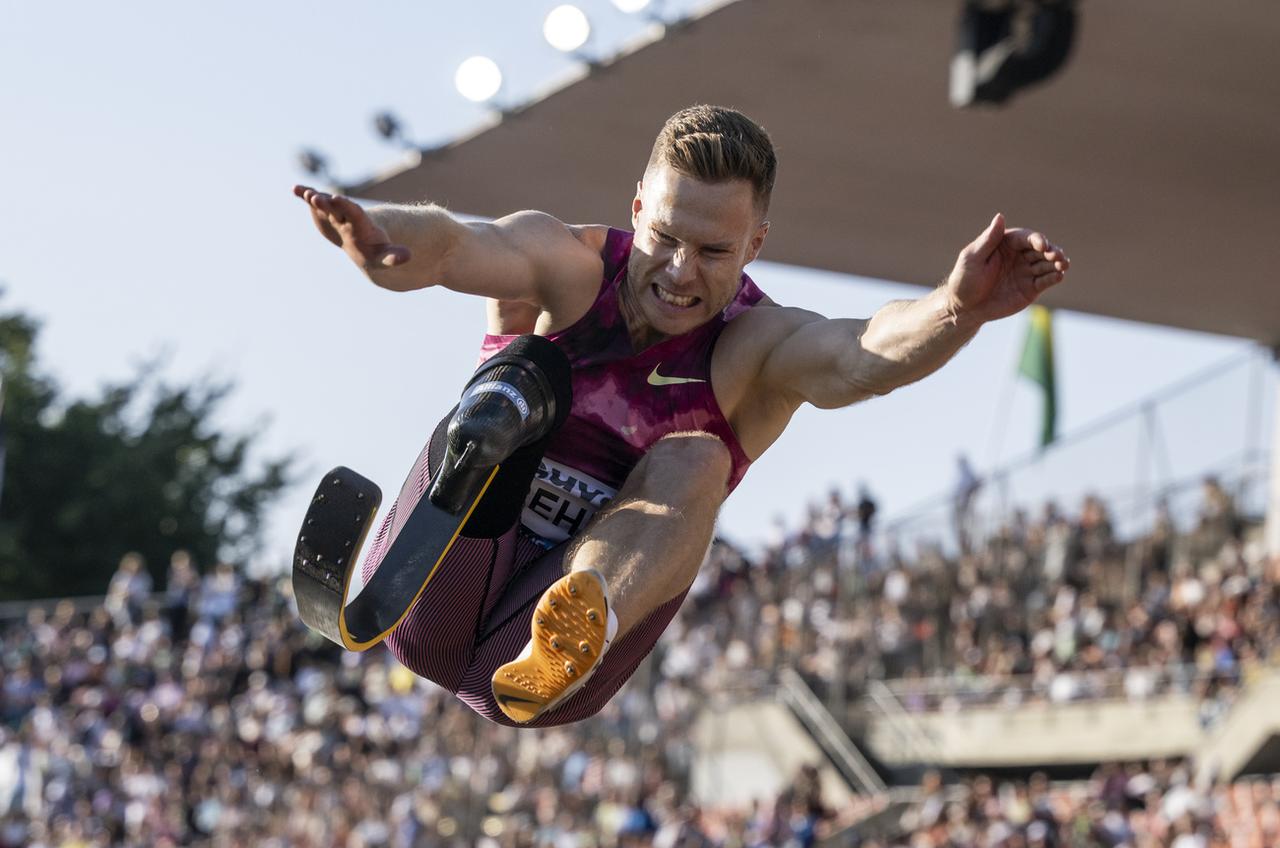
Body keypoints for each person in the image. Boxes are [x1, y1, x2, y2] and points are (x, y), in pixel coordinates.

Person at [294, 105, 1069, 727]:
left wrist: (956, 309)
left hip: (532, 673)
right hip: (435, 596)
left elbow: (859, 355)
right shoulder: (569, 267)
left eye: (712, 251)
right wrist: (381, 235)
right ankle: (480, 454)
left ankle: (579, 622)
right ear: (638, 209)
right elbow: (460, 245)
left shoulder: (755, 349)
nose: (677, 271)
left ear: (754, 246)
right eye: (663, 238)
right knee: (525, 369)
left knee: (697, 457)